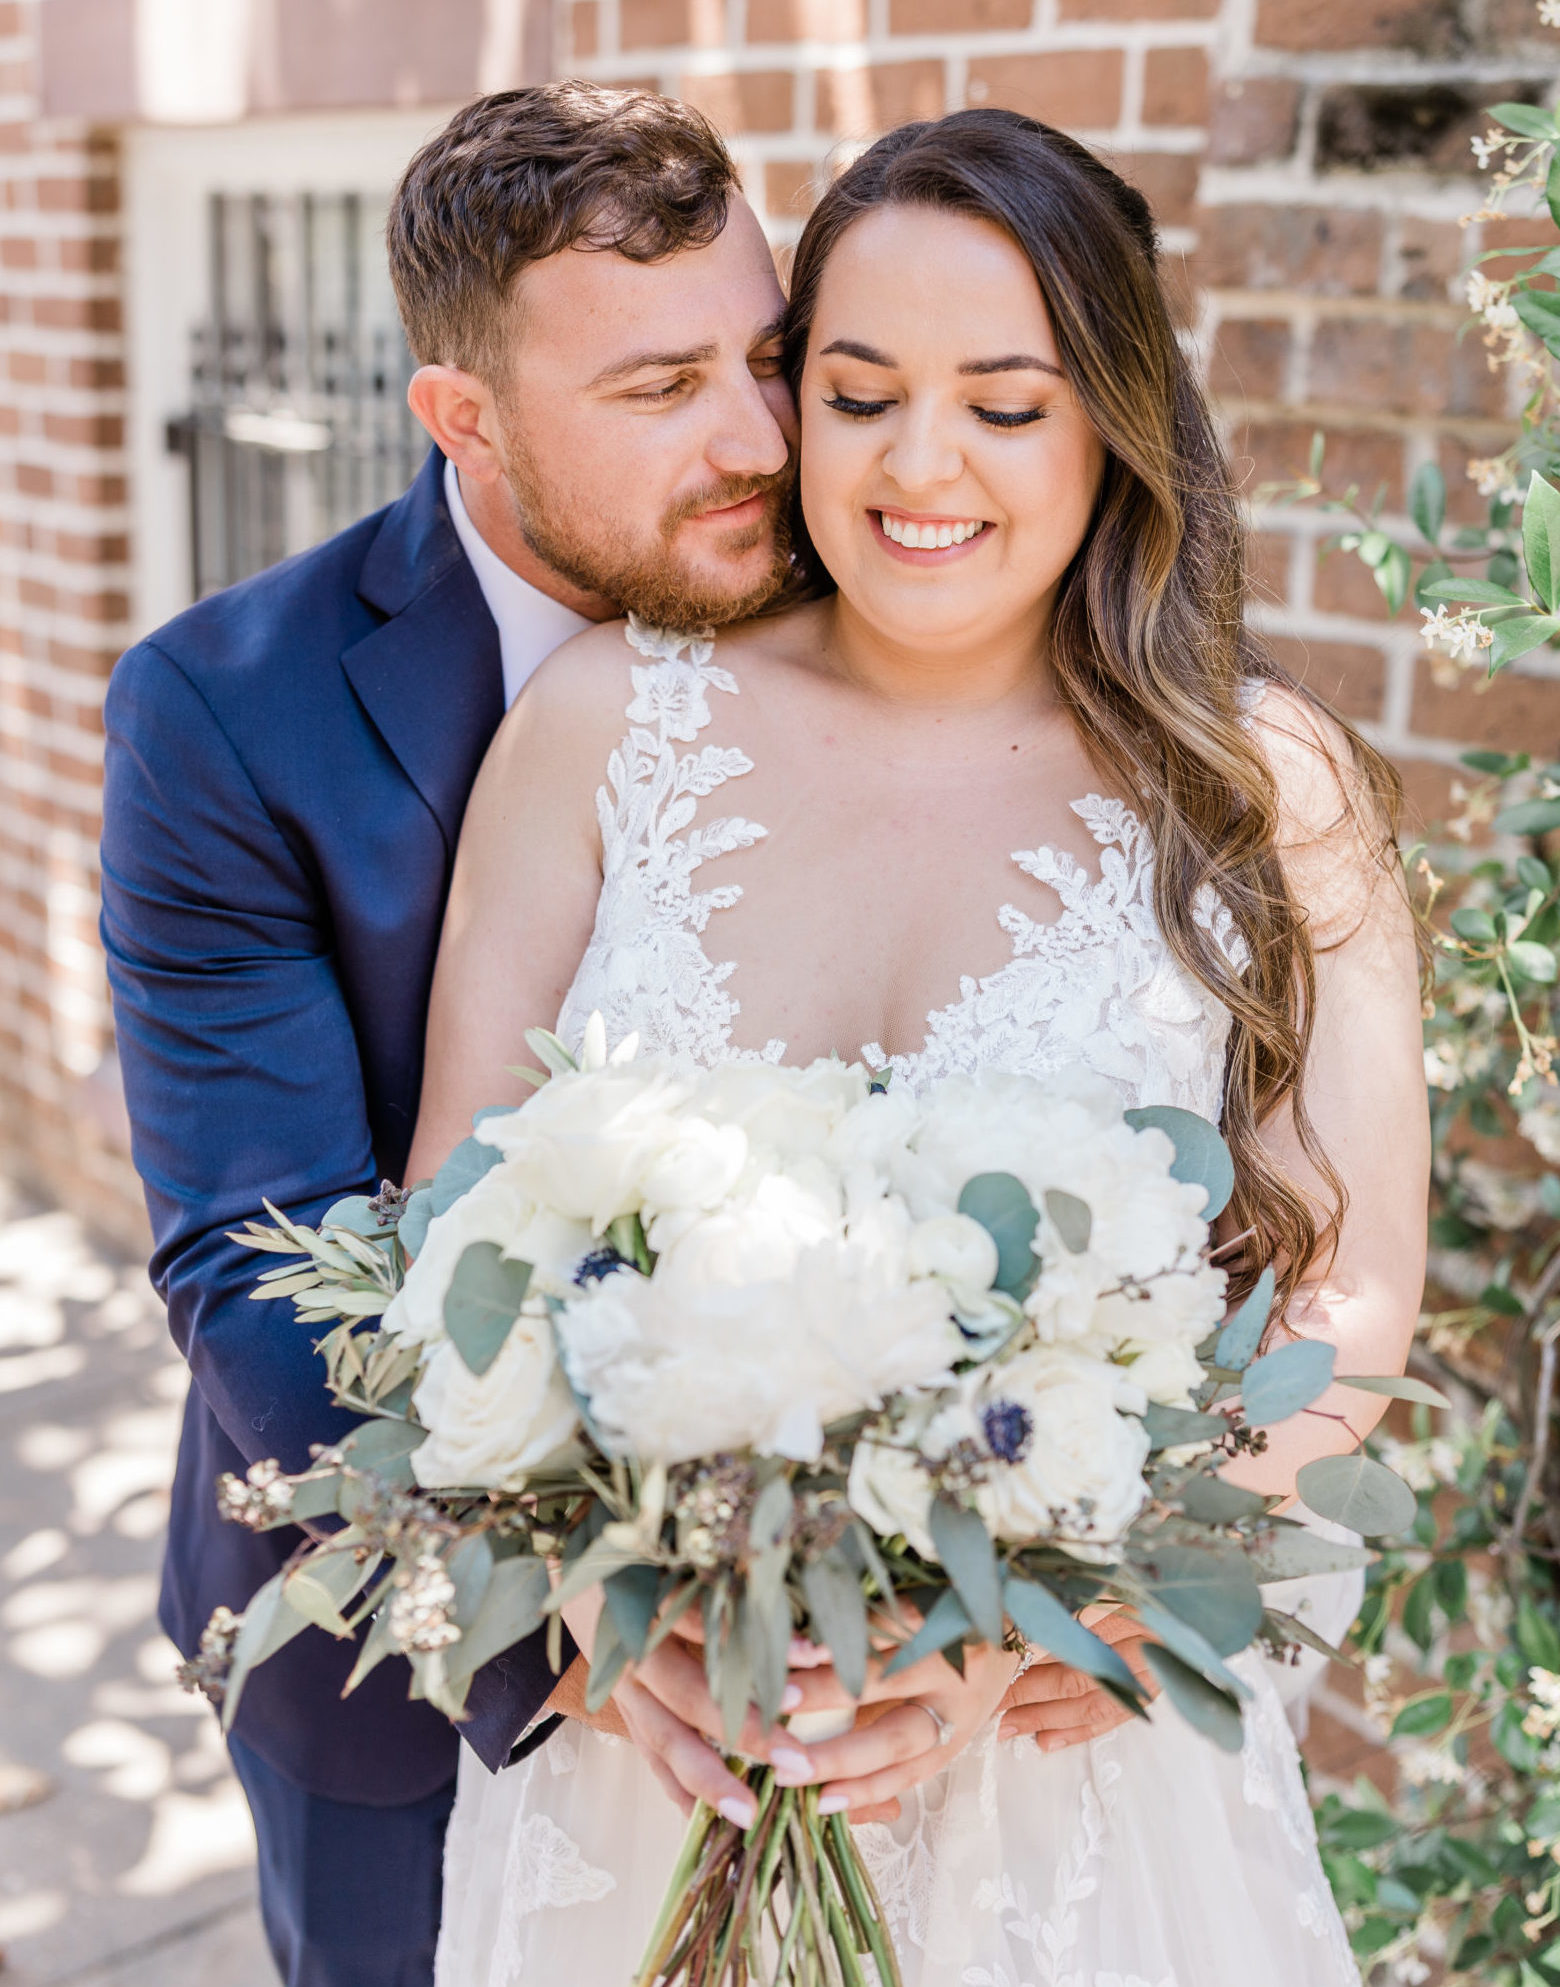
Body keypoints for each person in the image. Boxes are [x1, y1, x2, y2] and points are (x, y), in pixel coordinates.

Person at [412, 109, 1428, 1985]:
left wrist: (1070, 1615)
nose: (920, 464)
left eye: (1008, 403)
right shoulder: (602, 725)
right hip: (654, 1765)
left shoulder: (1260, 788)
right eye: (859, 393)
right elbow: (455, 1230)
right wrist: (592, 1601)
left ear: (1114, 415)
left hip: (1076, 1777)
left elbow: (1350, 1290)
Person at [100, 83, 814, 1987]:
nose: (760, 441)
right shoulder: (224, 715)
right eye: (661, 392)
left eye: (770, 355)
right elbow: (261, 1258)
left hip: (849, 1648)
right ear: (463, 420)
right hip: (398, 1662)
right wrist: (578, 1602)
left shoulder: (877, 588)